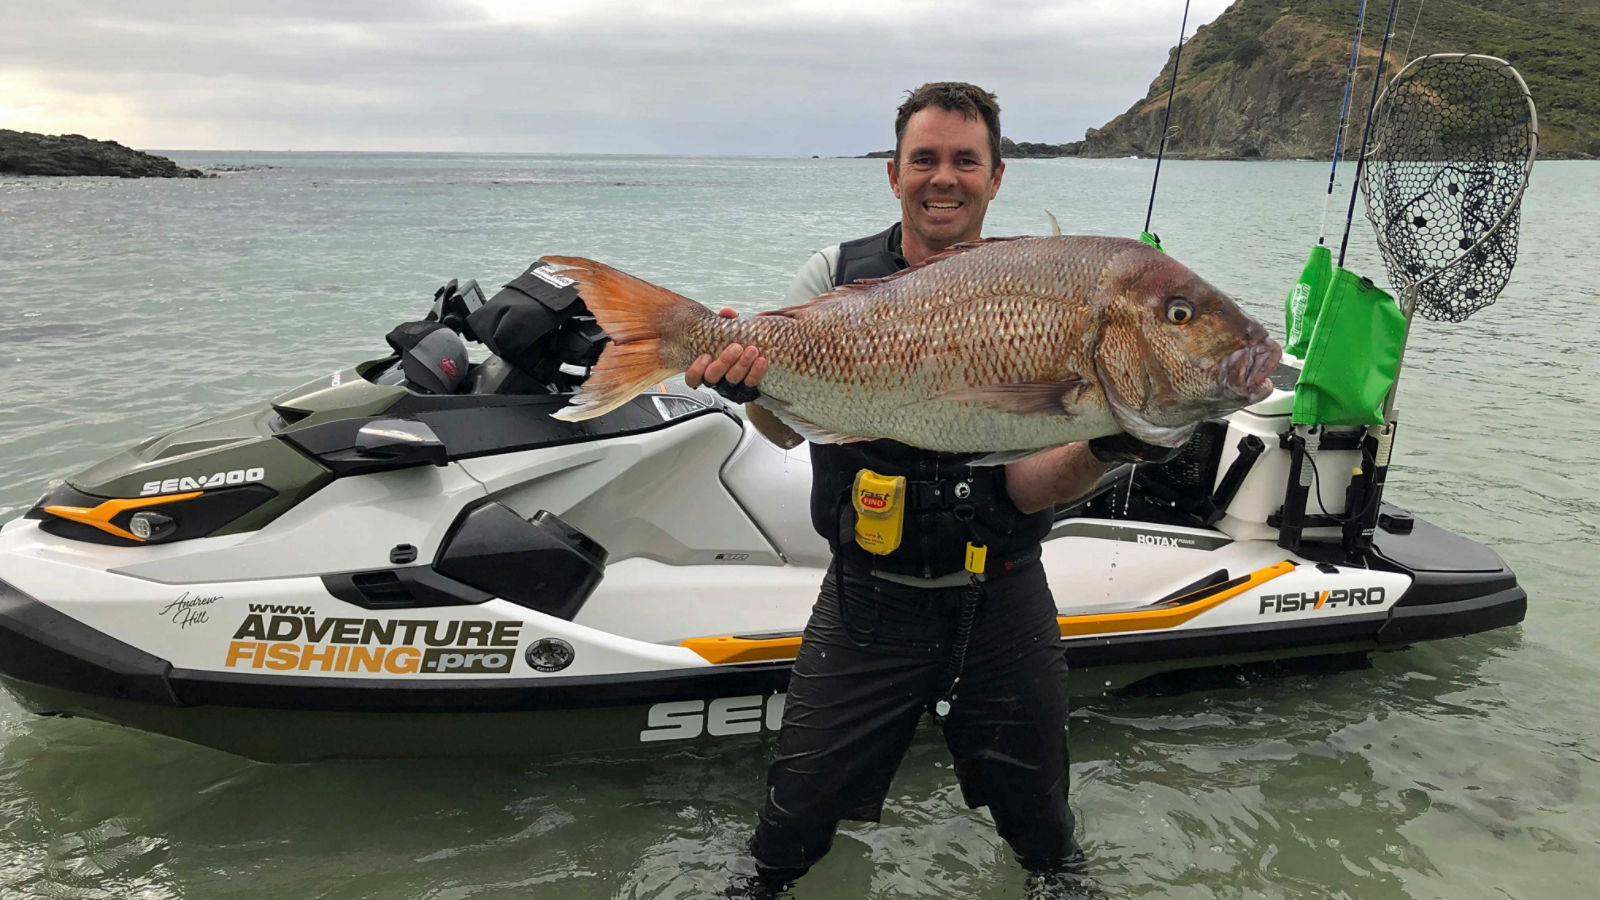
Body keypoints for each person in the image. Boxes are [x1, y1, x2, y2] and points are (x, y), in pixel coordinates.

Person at [693, 82, 1175, 897]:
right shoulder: (831, 275)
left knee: (1048, 837)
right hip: (866, 601)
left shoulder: (1045, 292)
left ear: (996, 177)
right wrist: (750, 390)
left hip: (1003, 597)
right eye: (925, 160)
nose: (942, 177)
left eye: (964, 161)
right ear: (894, 174)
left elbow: (1026, 489)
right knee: (785, 830)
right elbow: (786, 432)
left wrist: (1109, 443)